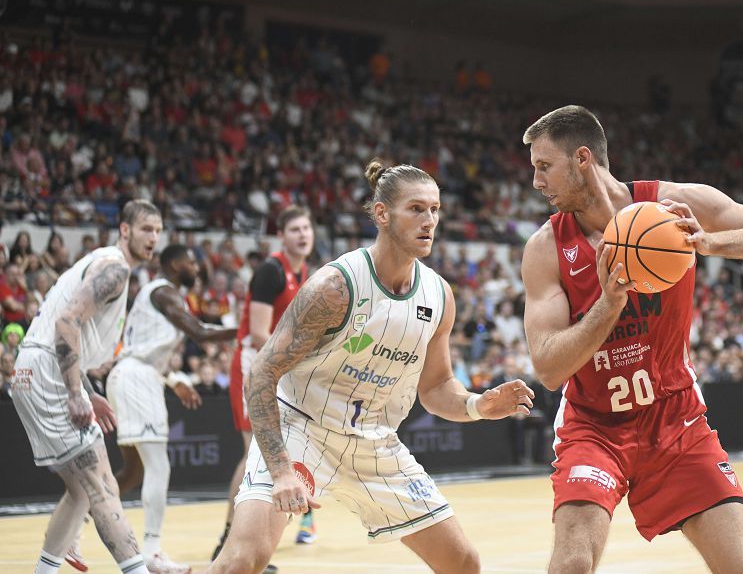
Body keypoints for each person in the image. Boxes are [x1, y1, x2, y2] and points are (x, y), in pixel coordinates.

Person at [519, 106, 743, 574]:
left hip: (675, 418)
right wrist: (608, 305)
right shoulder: (545, 248)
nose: (536, 181)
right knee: (574, 562)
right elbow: (549, 368)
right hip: (594, 427)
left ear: (581, 158)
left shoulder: (674, 206)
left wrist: (711, 243)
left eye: (543, 166)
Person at [208, 161, 534, 574]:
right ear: (382, 214)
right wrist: (281, 470)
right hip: (303, 429)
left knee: (463, 562)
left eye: (435, 210)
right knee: (243, 561)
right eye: (416, 209)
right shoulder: (335, 287)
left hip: (375, 442)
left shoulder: (438, 295)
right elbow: (260, 373)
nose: (429, 221)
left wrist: (477, 406)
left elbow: (436, 389)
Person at [10, 200, 163, 574]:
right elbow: (66, 323)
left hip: (31, 370)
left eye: (158, 231)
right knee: (102, 485)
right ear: (125, 230)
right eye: (146, 229)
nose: (153, 238)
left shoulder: (100, 262)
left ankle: (45, 571)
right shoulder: (115, 268)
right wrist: (74, 391)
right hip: (49, 370)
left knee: (80, 491)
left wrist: (88, 391)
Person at [105, 244, 238, 573]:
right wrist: (245, 331)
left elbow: (152, 352)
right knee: (158, 466)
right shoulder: (165, 292)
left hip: (135, 375)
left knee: (133, 472)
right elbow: (200, 332)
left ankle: (77, 520)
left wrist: (174, 379)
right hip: (136, 378)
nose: (196, 268)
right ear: (176, 264)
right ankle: (152, 552)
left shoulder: (159, 295)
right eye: (192, 262)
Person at [213, 206, 315, 567]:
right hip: (253, 366)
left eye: (306, 228)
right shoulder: (271, 272)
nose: (302, 234)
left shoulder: (303, 271)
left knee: (279, 453)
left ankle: (262, 537)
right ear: (282, 236)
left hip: (279, 367)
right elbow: (258, 334)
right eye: (294, 229)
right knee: (255, 454)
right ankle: (229, 541)